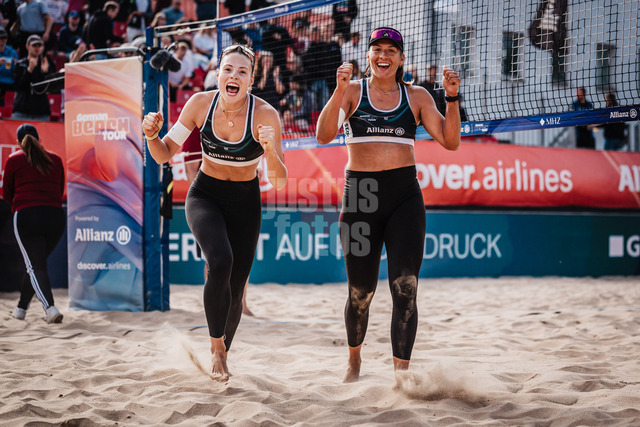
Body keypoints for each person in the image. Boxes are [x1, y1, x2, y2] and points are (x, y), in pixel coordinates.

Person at [316, 27, 461, 382]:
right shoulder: (353, 91)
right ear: (368, 56)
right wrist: (338, 91)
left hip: (404, 196)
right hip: (360, 195)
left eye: (391, 51)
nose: (383, 56)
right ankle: (354, 361)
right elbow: (323, 135)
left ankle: (401, 375)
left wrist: (452, 98)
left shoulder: (417, 96)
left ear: (401, 58)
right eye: (377, 49)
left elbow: (451, 141)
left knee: (406, 288)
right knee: (360, 293)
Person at [142, 44, 287, 380]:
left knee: (235, 289)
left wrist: (269, 150)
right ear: (218, 74)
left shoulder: (265, 115)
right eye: (228, 69)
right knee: (220, 262)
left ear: (251, 81)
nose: (234, 76)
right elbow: (163, 153)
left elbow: (279, 181)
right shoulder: (199, 104)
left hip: (246, 201)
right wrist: (151, 135)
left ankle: (224, 349)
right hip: (205, 195)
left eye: (242, 72)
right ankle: (216, 349)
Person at [3, 124, 65, 323]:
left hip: (27, 215)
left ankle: (50, 308)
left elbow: (7, 194)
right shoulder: (55, 159)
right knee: (36, 265)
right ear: (39, 139)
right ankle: (21, 308)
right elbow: (59, 190)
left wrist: (20, 205)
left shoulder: (14, 159)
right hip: (55, 217)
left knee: (35, 266)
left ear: (18, 142)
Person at [12, 34, 55, 121]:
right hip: (22, 110)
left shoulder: (46, 64)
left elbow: (50, 88)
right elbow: (19, 86)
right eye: (34, 45)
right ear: (27, 46)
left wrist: (45, 73)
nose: (37, 48)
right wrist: (29, 71)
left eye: (39, 45)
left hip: (41, 111)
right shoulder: (20, 64)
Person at [0, 27, 18, 106]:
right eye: (0, 38)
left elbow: (17, 70)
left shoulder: (12, 52)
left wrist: (16, 64)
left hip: (9, 81)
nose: (2, 41)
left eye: (4, 38)